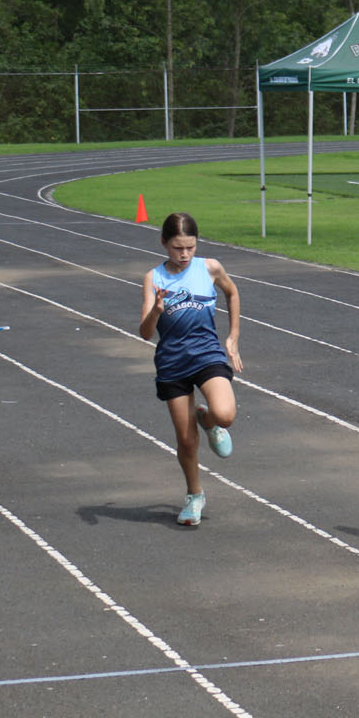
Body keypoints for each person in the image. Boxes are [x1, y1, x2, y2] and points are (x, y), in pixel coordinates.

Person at [138, 212, 242, 527]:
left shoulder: (209, 268)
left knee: (225, 414)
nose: (184, 255)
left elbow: (232, 293)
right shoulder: (153, 278)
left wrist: (233, 336)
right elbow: (144, 333)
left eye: (190, 248)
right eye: (177, 248)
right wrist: (156, 311)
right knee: (185, 440)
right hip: (172, 362)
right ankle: (194, 495)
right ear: (164, 244)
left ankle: (207, 420)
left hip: (206, 354)